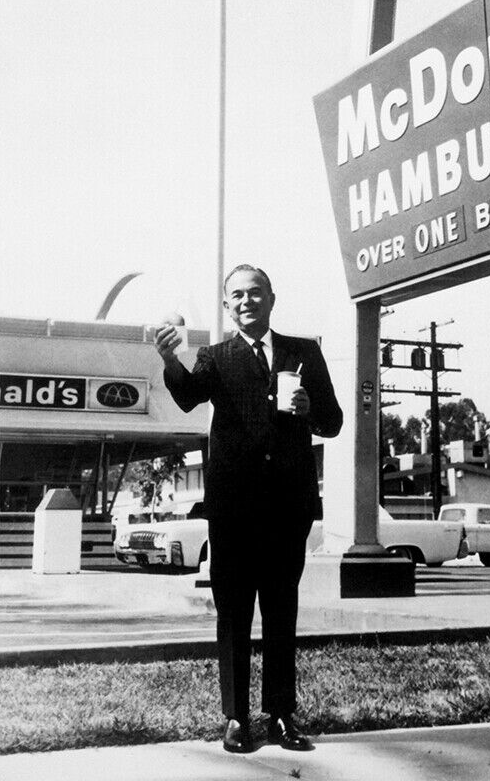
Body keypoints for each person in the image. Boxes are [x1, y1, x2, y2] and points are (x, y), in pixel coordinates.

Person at [154, 264, 343, 754]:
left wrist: (310, 410)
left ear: (272, 299)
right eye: (236, 295)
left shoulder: (305, 352)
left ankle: (281, 716)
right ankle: (236, 719)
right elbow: (188, 396)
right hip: (234, 507)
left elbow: (335, 421)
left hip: (287, 505)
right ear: (226, 305)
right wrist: (170, 359)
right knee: (233, 613)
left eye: (254, 293)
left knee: (282, 610)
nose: (246, 301)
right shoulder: (215, 357)